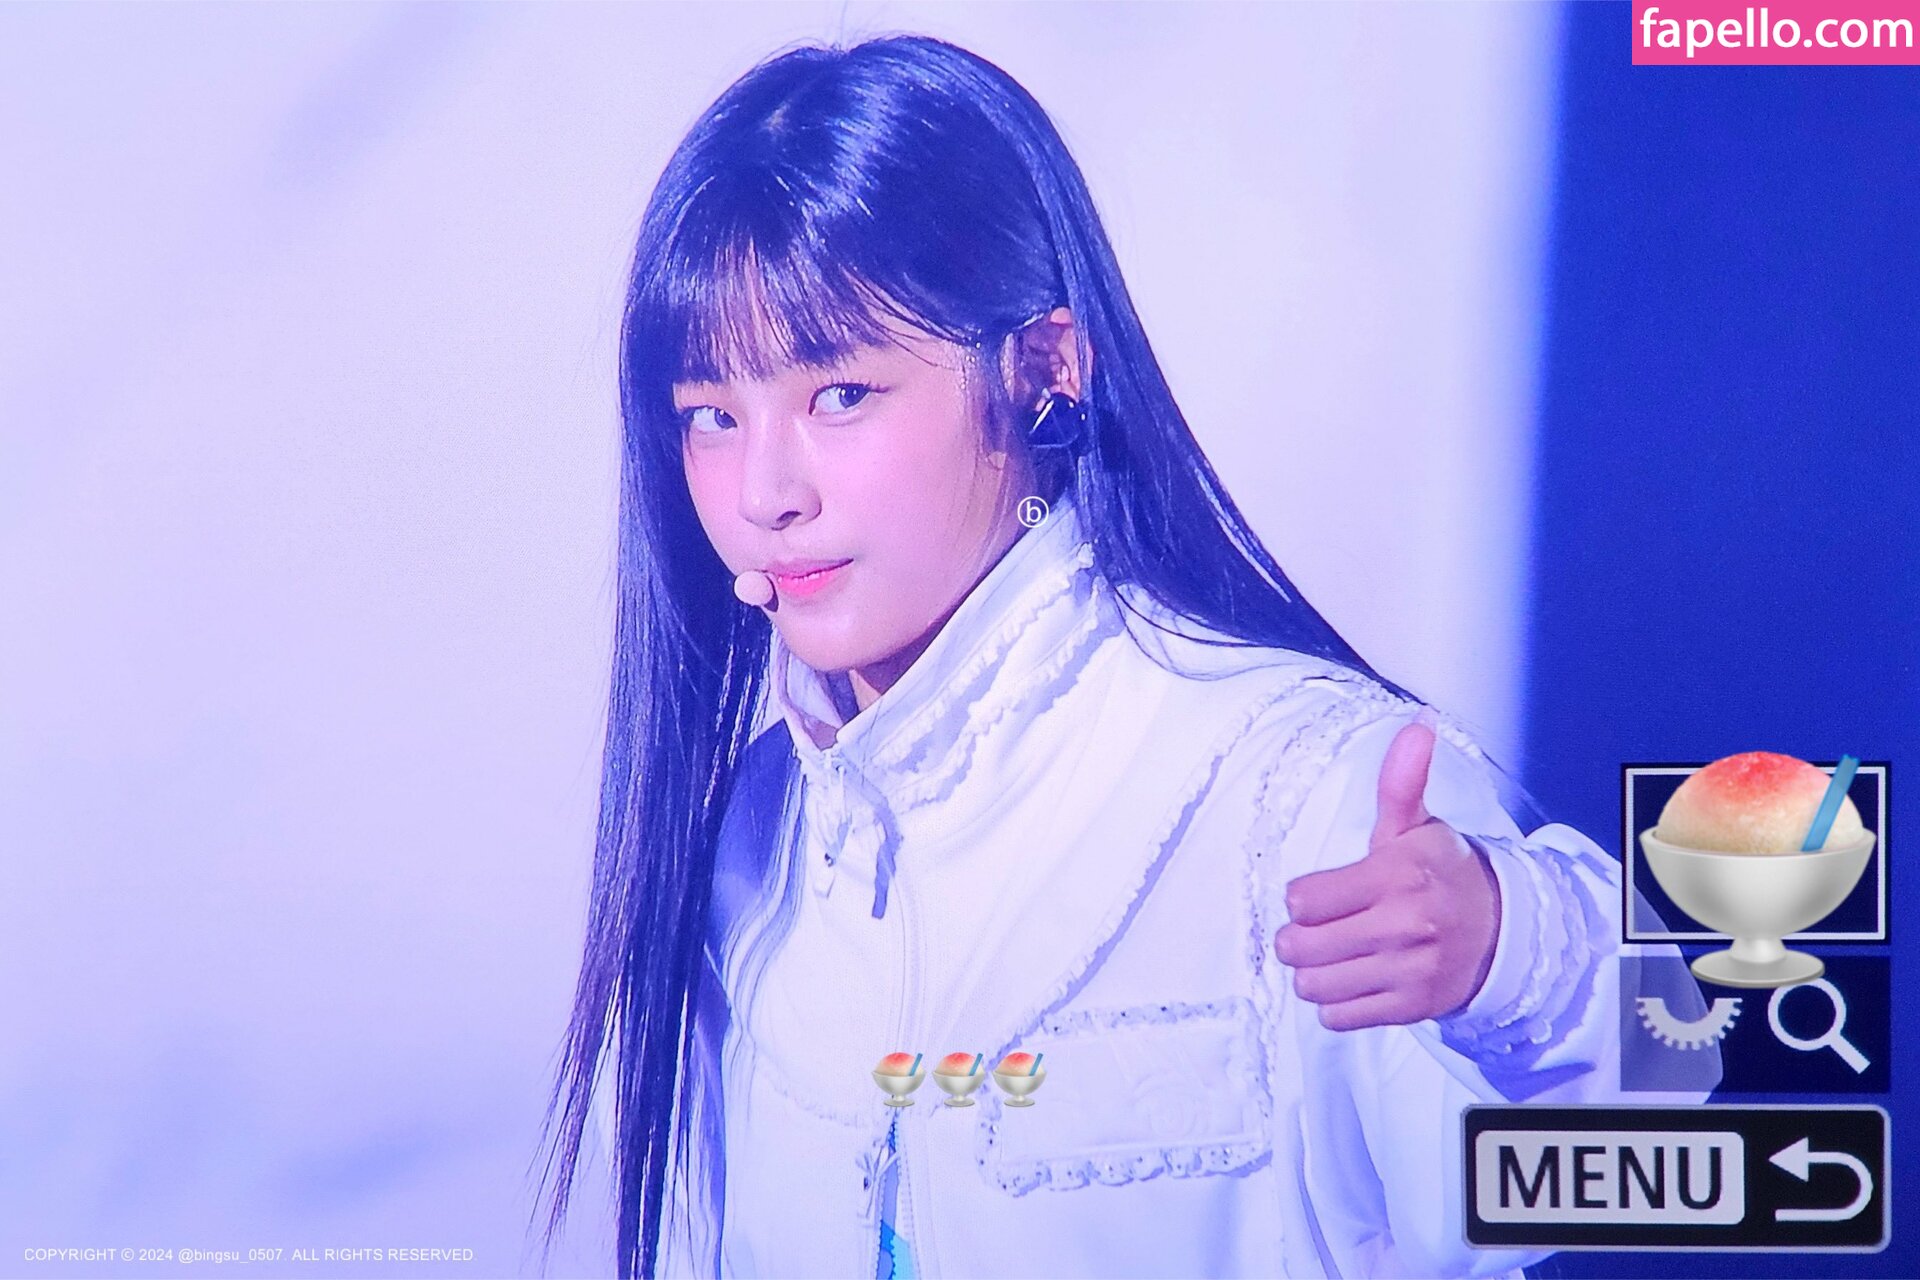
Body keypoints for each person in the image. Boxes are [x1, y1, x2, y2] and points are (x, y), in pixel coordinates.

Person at [528, 33, 1715, 1280]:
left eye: (841, 395)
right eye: (711, 416)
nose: (765, 491)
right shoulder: (749, 838)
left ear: (1045, 366)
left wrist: (1510, 953)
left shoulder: (1296, 786)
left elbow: (1672, 1102)